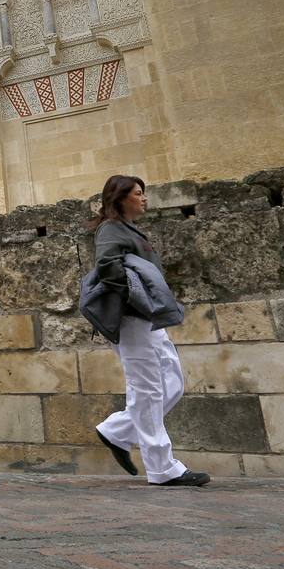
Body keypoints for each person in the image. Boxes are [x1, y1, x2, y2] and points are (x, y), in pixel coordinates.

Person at [91, 175, 210, 487]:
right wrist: (135, 298)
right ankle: (162, 467)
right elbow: (107, 266)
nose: (144, 198)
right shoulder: (110, 229)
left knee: (173, 382)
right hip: (132, 319)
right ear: (120, 198)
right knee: (147, 388)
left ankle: (117, 431)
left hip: (149, 319)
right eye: (138, 193)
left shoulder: (131, 230)